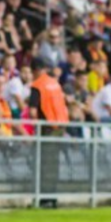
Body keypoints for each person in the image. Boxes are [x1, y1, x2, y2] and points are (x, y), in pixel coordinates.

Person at [25, 57, 67, 206]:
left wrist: (33, 129)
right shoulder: (55, 83)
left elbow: (32, 111)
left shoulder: (37, 85)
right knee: (54, 164)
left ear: (35, 70)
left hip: (46, 128)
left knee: (43, 164)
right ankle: (52, 197)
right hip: (60, 127)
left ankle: (44, 198)